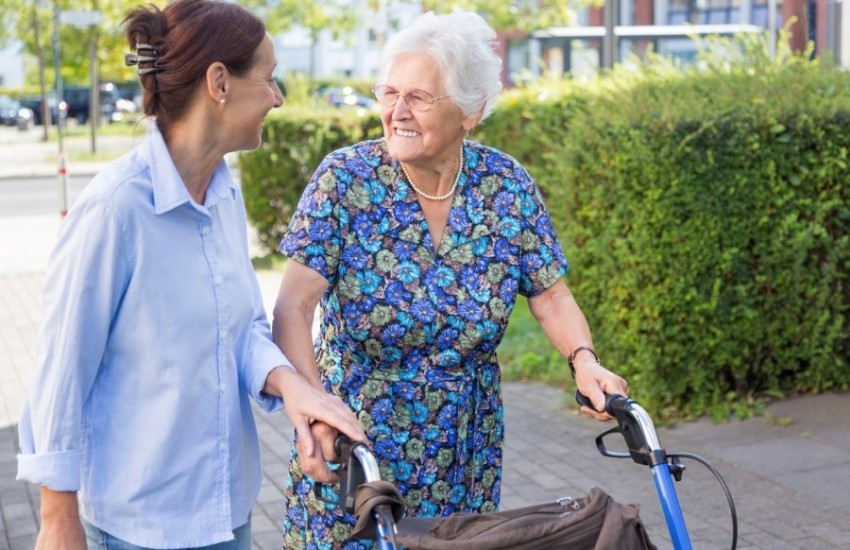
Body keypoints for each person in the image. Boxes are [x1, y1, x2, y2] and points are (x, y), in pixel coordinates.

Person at [272, 10, 630, 548]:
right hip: (354, 443)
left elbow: (550, 294)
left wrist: (585, 361)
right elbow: (292, 308)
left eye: (418, 97)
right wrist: (314, 411)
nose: (397, 111)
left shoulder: (504, 185)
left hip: (466, 448)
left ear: (472, 110)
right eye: (388, 92)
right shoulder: (345, 181)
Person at [15, 1, 365, 549]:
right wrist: (57, 517)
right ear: (219, 82)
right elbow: (62, 369)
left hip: (228, 509)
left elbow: (244, 326)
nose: (276, 98)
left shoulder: (224, 193)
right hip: (144, 526)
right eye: (270, 80)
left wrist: (295, 390)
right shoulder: (114, 210)